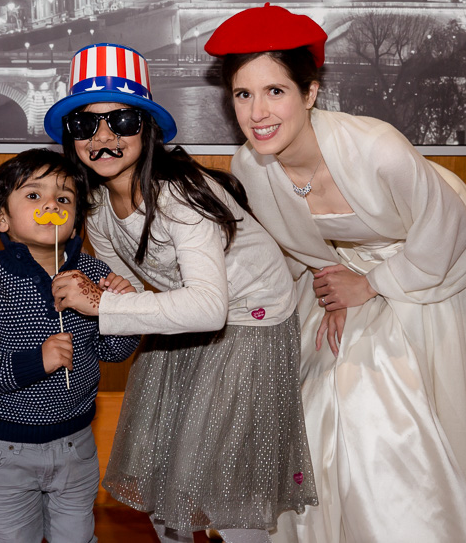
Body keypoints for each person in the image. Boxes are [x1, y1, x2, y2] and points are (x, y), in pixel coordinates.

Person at [204, 4, 466, 543]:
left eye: (275, 92)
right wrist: (331, 292)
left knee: (375, 400)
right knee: (315, 396)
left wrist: (372, 286)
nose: (258, 112)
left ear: (310, 93)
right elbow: (291, 251)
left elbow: (448, 230)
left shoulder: (378, 148)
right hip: (343, 268)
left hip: (436, 257)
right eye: (243, 94)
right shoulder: (248, 167)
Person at [43, 43, 317, 543]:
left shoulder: (178, 196)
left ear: (147, 129)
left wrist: (105, 304)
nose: (103, 137)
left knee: (225, 483)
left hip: (249, 321)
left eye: (122, 122)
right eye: (85, 125)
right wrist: (109, 287)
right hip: (184, 319)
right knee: (162, 469)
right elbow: (130, 278)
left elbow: (208, 306)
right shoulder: (100, 206)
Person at [0, 148, 141, 543]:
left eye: (63, 198)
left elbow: (113, 351)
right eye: (34, 196)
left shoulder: (92, 273)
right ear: (2, 217)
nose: (51, 204)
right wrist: (37, 361)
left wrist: (125, 308)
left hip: (76, 446)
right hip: (8, 453)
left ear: (74, 222)